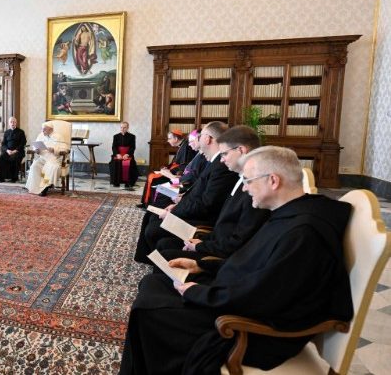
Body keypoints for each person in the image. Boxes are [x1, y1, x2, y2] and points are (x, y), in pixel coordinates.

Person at [119, 146, 354, 375]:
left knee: (149, 311)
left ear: (273, 181)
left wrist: (196, 292)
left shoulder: (304, 233)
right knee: (153, 284)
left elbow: (263, 295)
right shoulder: (289, 213)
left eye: (248, 180)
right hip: (238, 295)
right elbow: (252, 264)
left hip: (248, 328)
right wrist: (201, 265)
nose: (244, 188)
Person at [156, 125, 271, 266]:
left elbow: (238, 243)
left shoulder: (255, 192)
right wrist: (203, 241)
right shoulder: (243, 181)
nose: (221, 160)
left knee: (162, 246)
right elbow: (225, 225)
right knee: (163, 242)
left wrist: (201, 247)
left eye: (224, 154)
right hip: (214, 240)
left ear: (241, 150)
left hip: (220, 255)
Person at [134, 121, 239, 264]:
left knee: (153, 228)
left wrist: (175, 211)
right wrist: (178, 204)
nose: (198, 139)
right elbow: (198, 190)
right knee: (152, 215)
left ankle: (157, 261)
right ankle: (149, 258)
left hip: (201, 219)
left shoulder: (221, 166)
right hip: (192, 208)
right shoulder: (214, 162)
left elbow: (206, 204)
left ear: (208, 139)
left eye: (201, 135)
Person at [138, 129, 196, 208]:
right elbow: (175, 163)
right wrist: (167, 168)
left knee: (153, 178)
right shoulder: (182, 145)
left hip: (177, 175)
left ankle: (149, 204)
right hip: (173, 172)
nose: (168, 141)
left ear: (176, 139)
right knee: (151, 175)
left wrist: (170, 171)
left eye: (169, 138)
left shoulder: (186, 147)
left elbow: (184, 165)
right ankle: (145, 203)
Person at [25, 121, 69, 196]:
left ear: (51, 129)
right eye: (42, 129)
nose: (43, 131)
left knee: (51, 168)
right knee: (34, 166)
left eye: (44, 129)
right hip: (42, 158)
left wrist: (54, 150)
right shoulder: (40, 135)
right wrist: (36, 150)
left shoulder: (58, 136)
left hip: (53, 159)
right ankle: (35, 187)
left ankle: (45, 188)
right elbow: (35, 146)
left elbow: (65, 149)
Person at [0, 117, 27, 183]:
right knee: (2, 157)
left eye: (14, 122)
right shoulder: (6, 132)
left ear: (16, 123)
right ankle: (1, 177)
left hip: (18, 151)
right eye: (11, 122)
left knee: (14, 158)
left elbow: (23, 143)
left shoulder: (21, 132)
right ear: (9, 123)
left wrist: (15, 150)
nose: (13, 123)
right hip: (8, 151)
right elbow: (3, 144)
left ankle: (14, 177)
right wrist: (7, 150)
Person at [109, 121, 139, 188]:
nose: (122, 129)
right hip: (118, 154)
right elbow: (114, 147)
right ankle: (116, 182)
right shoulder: (116, 136)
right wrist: (117, 154)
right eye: (121, 127)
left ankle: (128, 182)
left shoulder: (132, 136)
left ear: (127, 128)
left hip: (128, 154)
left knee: (129, 163)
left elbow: (133, 147)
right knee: (115, 162)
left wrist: (127, 154)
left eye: (124, 127)